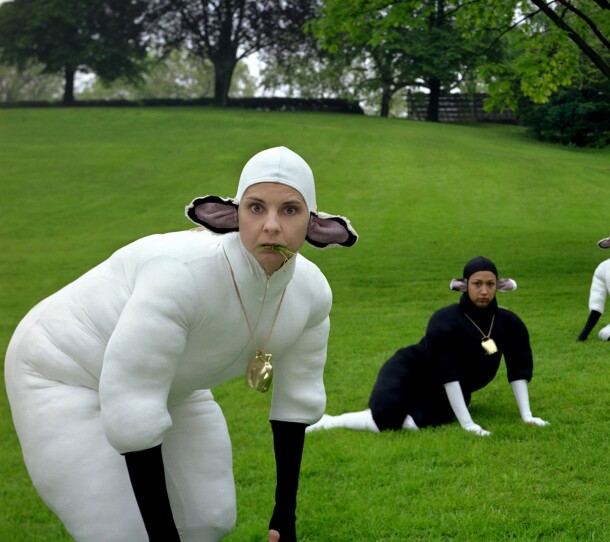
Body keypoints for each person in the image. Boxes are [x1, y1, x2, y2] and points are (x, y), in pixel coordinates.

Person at [5, 146, 358, 541]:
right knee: (123, 533)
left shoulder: (311, 292)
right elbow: (132, 404)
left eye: (289, 210)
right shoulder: (181, 275)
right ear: (232, 215)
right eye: (256, 208)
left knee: (209, 519)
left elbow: (297, 401)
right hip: (62, 368)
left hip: (173, 383)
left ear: (315, 224)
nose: (271, 227)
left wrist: (284, 519)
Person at [306, 256, 548, 437]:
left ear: (499, 286)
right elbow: (447, 371)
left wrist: (527, 416)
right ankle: (330, 421)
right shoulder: (445, 320)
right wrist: (468, 424)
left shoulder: (510, 323)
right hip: (411, 371)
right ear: (464, 285)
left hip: (451, 389)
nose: (484, 291)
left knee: (410, 425)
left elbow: (518, 367)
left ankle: (406, 412)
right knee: (385, 419)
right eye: (477, 284)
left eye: (490, 284)